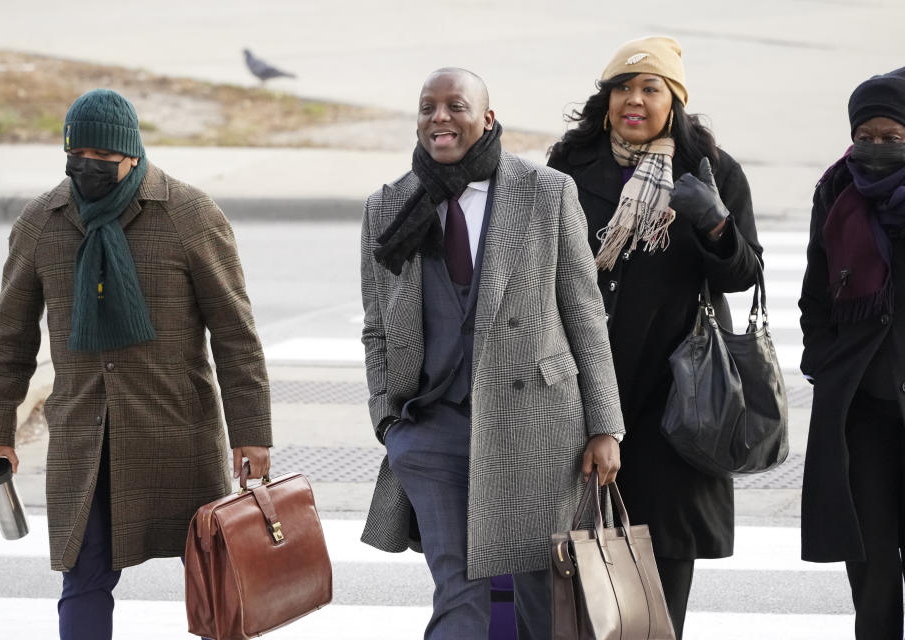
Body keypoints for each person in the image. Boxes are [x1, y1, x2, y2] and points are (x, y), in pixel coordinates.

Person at [0, 88, 272, 640]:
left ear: (131, 154)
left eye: (102, 159)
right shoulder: (43, 224)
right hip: (86, 442)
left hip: (178, 433)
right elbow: (8, 341)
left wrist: (251, 434)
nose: (88, 169)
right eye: (76, 157)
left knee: (216, 585)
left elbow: (235, 337)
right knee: (82, 582)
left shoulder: (189, 215)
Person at [359, 67, 626, 640]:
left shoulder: (546, 192)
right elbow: (376, 327)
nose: (440, 118)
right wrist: (388, 418)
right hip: (431, 428)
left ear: (487, 117)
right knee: (458, 593)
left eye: (456, 106)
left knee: (543, 598)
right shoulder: (388, 207)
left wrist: (606, 426)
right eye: (428, 107)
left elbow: (584, 314)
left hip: (538, 426)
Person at [547, 36, 762, 638]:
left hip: (675, 400)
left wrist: (714, 221)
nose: (633, 101)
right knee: (581, 568)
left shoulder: (712, 170)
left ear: (676, 102)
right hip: (588, 388)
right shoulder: (570, 164)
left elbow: (744, 274)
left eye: (650, 89)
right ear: (606, 97)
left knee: (661, 589)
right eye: (622, 87)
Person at [799, 67, 905, 639]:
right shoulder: (837, 191)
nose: (878, 149)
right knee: (872, 570)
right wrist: (823, 361)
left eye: (894, 138)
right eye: (867, 137)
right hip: (860, 410)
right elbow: (815, 297)